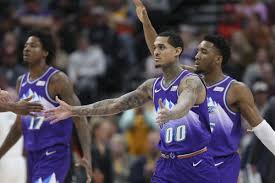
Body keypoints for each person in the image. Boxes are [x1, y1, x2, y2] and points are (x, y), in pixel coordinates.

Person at [45, 29, 220, 182]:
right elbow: (115, 104)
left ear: (177, 51)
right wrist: (73, 110)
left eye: (162, 47)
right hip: (167, 164)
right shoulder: (152, 86)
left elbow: (185, 102)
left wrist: (172, 113)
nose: (156, 52)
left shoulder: (191, 81)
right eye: (154, 48)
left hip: (196, 162)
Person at [132, 1, 275, 183]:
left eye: (204, 52)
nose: (197, 55)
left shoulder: (235, 89)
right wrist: (146, 22)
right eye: (197, 50)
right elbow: (160, 52)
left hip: (222, 165)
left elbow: (261, 128)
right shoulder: (190, 79)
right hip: (192, 165)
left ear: (218, 59)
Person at [0, 30, 92, 183]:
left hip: (55, 153)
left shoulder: (57, 79)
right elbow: (18, 127)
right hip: (32, 156)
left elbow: (79, 116)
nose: (27, 49)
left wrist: (87, 154)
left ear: (45, 52)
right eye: (26, 45)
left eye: (33, 45)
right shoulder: (20, 82)